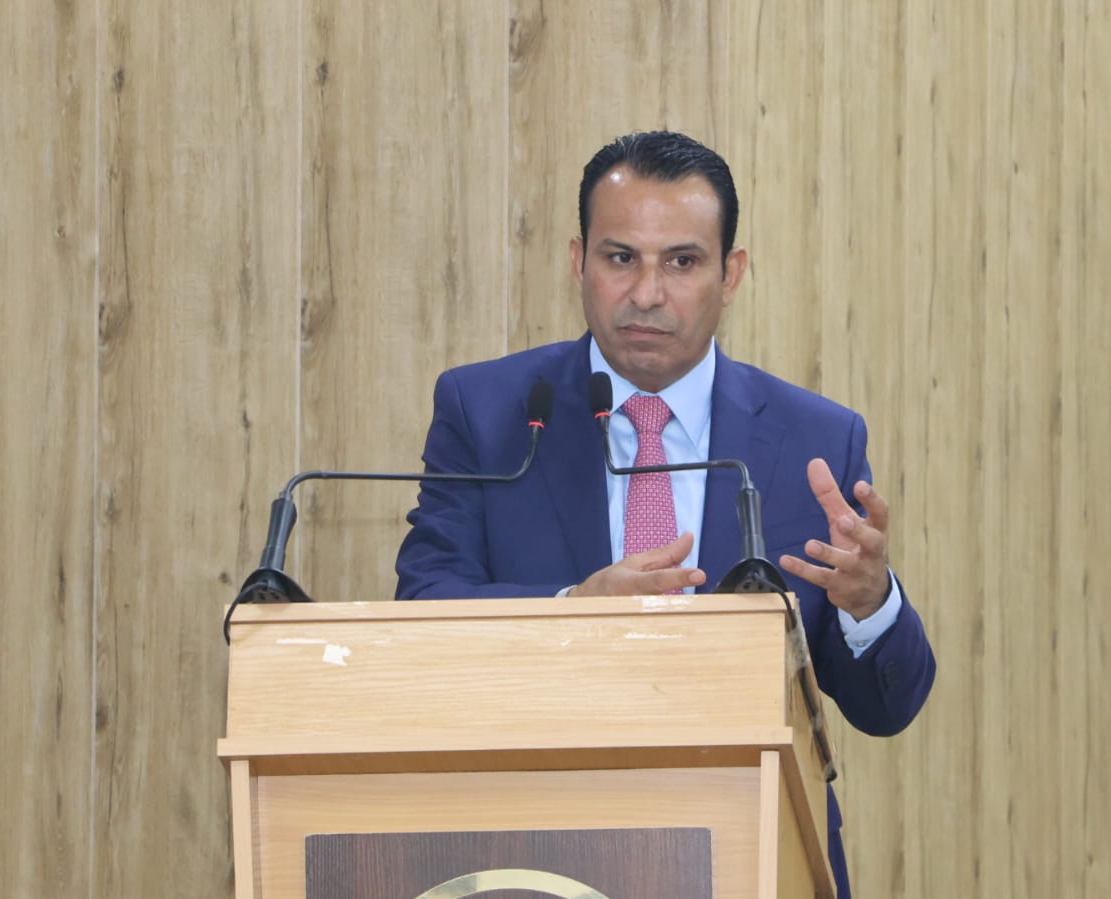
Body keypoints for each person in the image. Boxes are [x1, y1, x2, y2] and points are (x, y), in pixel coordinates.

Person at [394, 130, 934, 898]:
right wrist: (569, 609)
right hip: (528, 848)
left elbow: (886, 707)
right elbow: (423, 607)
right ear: (577, 261)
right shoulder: (488, 411)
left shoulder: (815, 438)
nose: (646, 293)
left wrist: (869, 603)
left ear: (729, 273)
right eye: (621, 258)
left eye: (681, 262)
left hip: (752, 847)